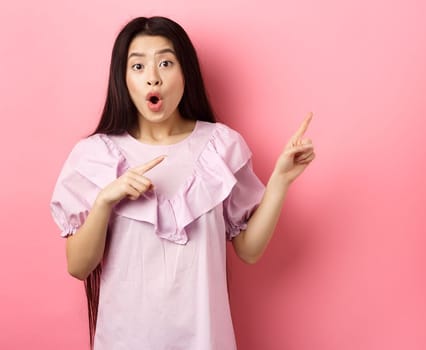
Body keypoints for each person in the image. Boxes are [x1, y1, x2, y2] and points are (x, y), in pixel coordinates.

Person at [49, 16, 315, 349]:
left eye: (165, 62)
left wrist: (281, 180)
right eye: (138, 67)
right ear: (122, 78)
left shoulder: (222, 146)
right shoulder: (94, 156)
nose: (153, 78)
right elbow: (78, 266)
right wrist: (105, 200)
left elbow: (248, 250)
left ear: (184, 72)